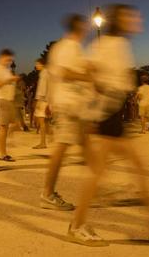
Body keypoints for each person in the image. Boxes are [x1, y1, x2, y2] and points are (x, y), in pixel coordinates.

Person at [68, 5, 149, 246]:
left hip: (113, 113)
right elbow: (88, 69)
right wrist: (100, 92)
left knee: (135, 166)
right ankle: (77, 225)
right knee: (99, 172)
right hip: (106, 114)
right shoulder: (107, 44)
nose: (136, 21)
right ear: (120, 20)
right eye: (132, 17)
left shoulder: (120, 44)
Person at [41, 14, 90, 211]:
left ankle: (96, 187)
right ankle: (47, 192)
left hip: (73, 105)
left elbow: (56, 77)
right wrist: (87, 75)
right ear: (79, 27)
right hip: (68, 106)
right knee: (60, 150)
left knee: (87, 147)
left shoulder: (68, 47)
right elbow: (64, 72)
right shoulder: (68, 46)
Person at [0, 49, 20, 162]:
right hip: (1, 100)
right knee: (3, 128)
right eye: (8, 59)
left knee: (13, 125)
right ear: (3, 57)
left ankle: (3, 144)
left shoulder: (6, 69)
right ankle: (3, 154)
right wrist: (9, 79)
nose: (9, 62)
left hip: (8, 101)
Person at [32, 58, 50, 149]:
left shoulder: (43, 74)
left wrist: (37, 100)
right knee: (44, 122)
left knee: (41, 122)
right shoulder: (47, 73)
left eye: (37, 64)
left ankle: (43, 143)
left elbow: (42, 89)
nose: (36, 66)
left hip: (42, 100)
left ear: (42, 64)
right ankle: (47, 139)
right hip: (45, 100)